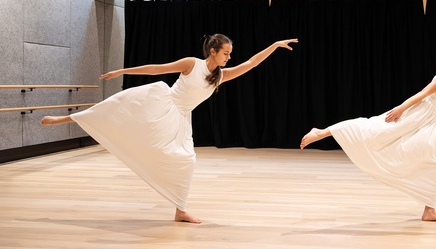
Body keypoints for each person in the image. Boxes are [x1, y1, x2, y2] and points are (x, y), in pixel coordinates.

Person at [42, 34, 298, 224]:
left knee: (186, 159)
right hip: (162, 105)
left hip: (180, 119)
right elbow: (157, 68)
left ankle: (180, 210)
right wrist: (122, 71)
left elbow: (252, 63)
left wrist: (274, 46)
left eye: (230, 54)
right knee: (119, 109)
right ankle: (66, 119)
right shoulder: (192, 64)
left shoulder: (220, 75)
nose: (229, 57)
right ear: (212, 51)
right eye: (226, 53)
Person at [300, 44, 436, 223]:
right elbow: (423, 93)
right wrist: (401, 109)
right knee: (373, 131)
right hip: (418, 115)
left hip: (430, 121)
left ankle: (429, 210)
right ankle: (321, 132)